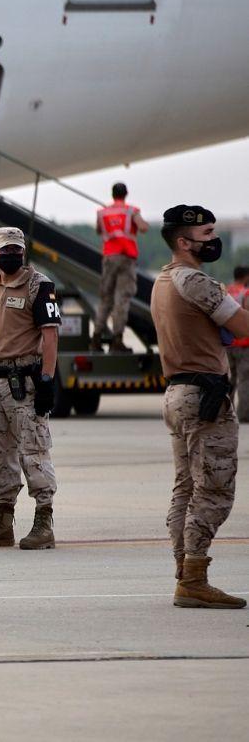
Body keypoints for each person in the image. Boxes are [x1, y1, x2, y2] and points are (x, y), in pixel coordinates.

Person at [151, 205, 248, 609]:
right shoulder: (196, 281)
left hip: (178, 392)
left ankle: (183, 569)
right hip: (204, 395)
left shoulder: (163, 280)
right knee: (214, 487)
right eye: (206, 234)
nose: (213, 240)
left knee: (186, 488)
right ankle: (194, 577)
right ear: (183, 241)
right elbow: (243, 327)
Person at [0, 227, 61, 550]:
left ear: (23, 252)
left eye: (15, 250)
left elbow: (50, 335)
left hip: (25, 383)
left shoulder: (39, 284)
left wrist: (47, 380)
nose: (11, 255)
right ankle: (3, 518)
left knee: (33, 450)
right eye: (4, 250)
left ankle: (43, 519)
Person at [92, 183, 149, 352]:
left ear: (112, 194)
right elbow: (144, 227)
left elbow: (98, 230)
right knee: (121, 299)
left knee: (105, 298)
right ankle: (117, 340)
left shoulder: (102, 212)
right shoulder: (131, 211)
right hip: (126, 258)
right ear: (126, 194)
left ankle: (95, 338)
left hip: (109, 257)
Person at [224, 267, 249, 423]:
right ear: (246, 277)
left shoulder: (225, 291)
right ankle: (244, 414)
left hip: (228, 343)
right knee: (245, 380)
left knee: (229, 379)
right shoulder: (245, 293)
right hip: (244, 343)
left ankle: (226, 413)